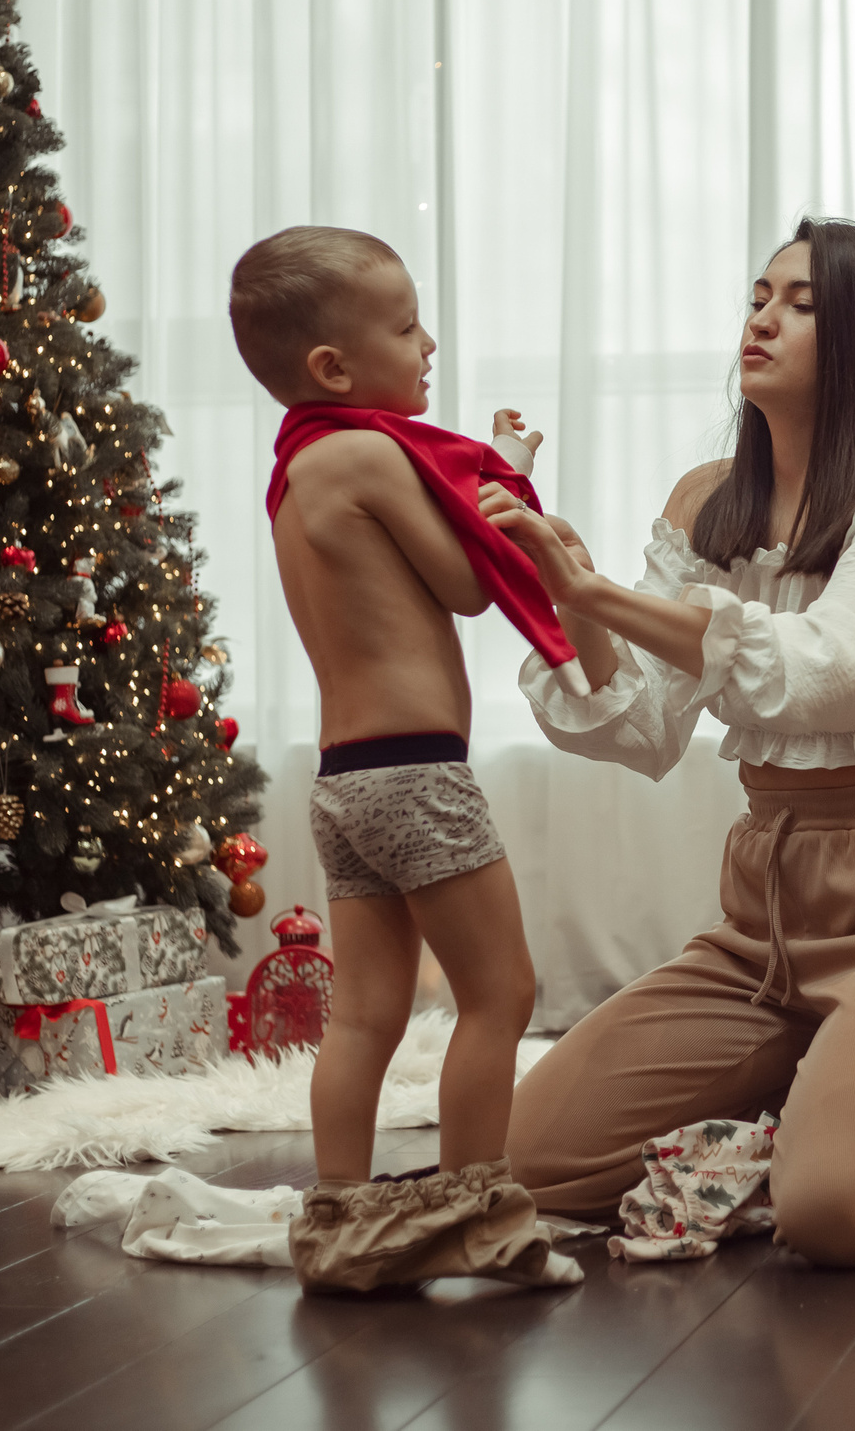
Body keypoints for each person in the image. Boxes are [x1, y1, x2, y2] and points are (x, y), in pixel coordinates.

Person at [483, 216, 855, 1267]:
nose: (763, 318)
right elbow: (641, 724)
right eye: (757, 296)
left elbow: (827, 678)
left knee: (832, 1215)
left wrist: (597, 590)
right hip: (761, 921)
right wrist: (572, 602)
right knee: (528, 1159)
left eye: (801, 303)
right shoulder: (708, 503)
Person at [232, 224, 580, 1293]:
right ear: (332, 368)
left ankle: (335, 1217)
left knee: (368, 1013)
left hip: (346, 780)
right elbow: (468, 583)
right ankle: (482, 1212)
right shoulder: (372, 454)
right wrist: (509, 481)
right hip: (418, 773)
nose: (427, 342)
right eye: (405, 325)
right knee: (500, 993)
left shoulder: (298, 473)